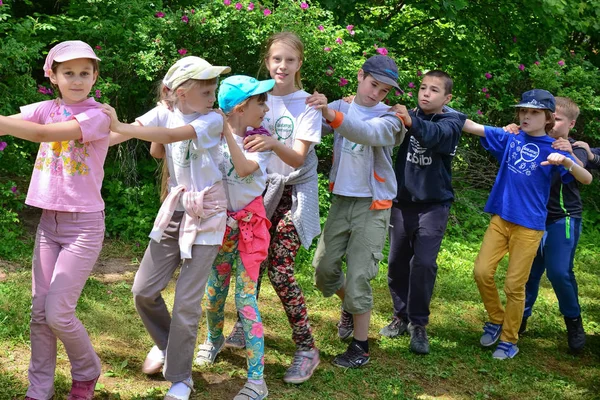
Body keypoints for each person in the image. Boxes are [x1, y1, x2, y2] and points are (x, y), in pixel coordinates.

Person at [101, 56, 230, 400]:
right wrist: (77, 138)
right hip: (176, 210)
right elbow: (114, 135)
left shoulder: (213, 120)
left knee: (187, 302)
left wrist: (124, 128)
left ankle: (180, 378)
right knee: (143, 290)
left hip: (209, 214)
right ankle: (169, 344)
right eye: (205, 89)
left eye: (213, 88)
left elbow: (172, 135)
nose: (213, 95)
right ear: (181, 93)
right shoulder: (166, 111)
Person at [0, 40, 109, 400]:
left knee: (58, 313)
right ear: (53, 76)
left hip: (84, 227)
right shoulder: (47, 108)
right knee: (39, 314)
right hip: (50, 226)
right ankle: (39, 390)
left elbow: (44, 135)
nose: (77, 80)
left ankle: (87, 370)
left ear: (94, 76)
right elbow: (10, 126)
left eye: (84, 72)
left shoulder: (96, 116)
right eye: (68, 73)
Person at [462, 89, 593, 359]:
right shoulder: (510, 137)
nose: (525, 116)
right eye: (523, 110)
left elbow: (586, 179)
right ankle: (497, 319)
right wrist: (434, 111)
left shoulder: (555, 148)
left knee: (514, 285)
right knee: (481, 272)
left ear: (548, 118)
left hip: (530, 227)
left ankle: (510, 338)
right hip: (500, 219)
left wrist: (567, 162)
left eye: (533, 112)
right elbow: (470, 126)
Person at [307, 54, 406, 368]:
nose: (376, 94)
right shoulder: (339, 105)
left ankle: (360, 347)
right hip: (341, 200)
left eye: (384, 91)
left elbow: (368, 134)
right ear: (361, 76)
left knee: (360, 275)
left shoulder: (392, 118)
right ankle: (349, 307)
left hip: (373, 205)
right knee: (324, 271)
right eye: (373, 84)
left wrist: (330, 113)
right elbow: (306, 127)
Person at [237, 31, 322, 384]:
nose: (282, 66)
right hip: (258, 192)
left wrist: (272, 142)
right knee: (250, 265)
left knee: (280, 268)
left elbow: (299, 156)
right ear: (267, 61)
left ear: (299, 63)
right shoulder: (256, 98)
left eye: (289, 60)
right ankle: (244, 329)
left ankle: (306, 348)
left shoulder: (310, 104)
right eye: (276, 59)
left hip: (293, 194)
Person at [193, 75, 275, 400]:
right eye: (260, 102)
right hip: (220, 227)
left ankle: (257, 381)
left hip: (250, 229)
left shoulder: (261, 141)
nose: (266, 108)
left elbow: (242, 169)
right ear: (241, 108)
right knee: (213, 295)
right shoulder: (212, 138)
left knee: (245, 300)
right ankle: (213, 339)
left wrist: (225, 130)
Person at [379, 70, 467, 355]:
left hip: (434, 206)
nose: (426, 93)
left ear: (447, 98)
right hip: (402, 203)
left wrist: (410, 120)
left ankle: (419, 324)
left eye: (434, 90)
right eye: (423, 88)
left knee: (424, 264)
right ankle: (401, 316)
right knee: (396, 265)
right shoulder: (406, 115)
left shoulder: (451, 122)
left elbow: (432, 136)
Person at [517, 97, 588, 352]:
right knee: (528, 273)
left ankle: (574, 322)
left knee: (559, 272)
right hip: (533, 219)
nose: (552, 123)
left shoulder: (575, 148)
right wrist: (512, 129)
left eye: (558, 119)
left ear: (571, 123)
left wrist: (568, 154)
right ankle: (519, 319)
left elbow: (582, 169)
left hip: (563, 218)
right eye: (550, 117)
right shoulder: (534, 140)